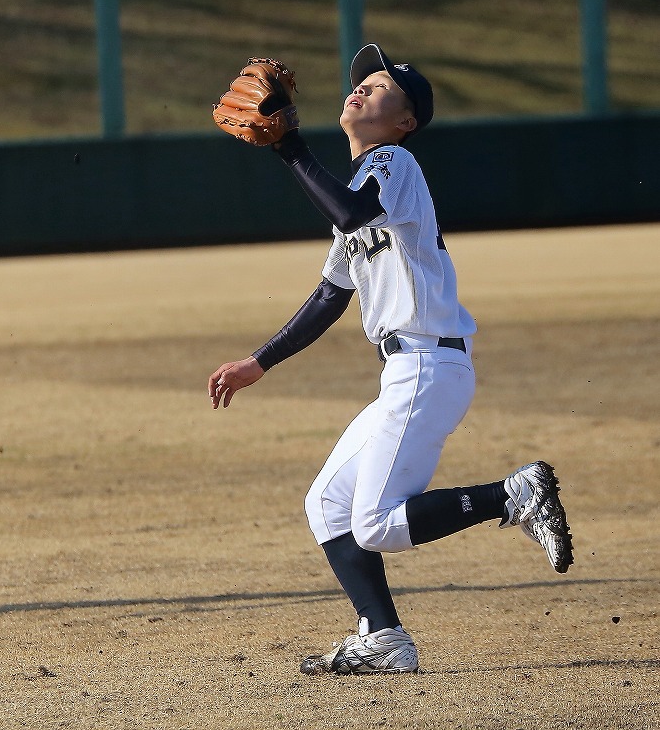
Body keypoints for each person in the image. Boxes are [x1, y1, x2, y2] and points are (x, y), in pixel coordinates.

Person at [208, 43, 573, 675]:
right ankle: (384, 637)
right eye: (358, 84)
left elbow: (349, 211)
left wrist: (289, 145)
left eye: (378, 89)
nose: (359, 91)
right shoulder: (360, 183)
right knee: (327, 505)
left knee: (374, 523)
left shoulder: (393, 163)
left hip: (429, 366)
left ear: (405, 121)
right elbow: (330, 294)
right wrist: (258, 362)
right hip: (407, 372)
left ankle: (512, 495)